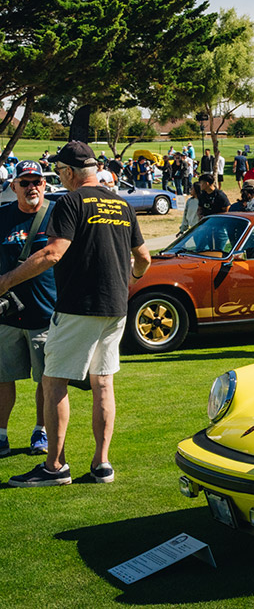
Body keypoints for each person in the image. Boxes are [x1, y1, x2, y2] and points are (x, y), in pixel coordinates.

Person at [1, 142, 150, 486]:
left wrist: (5, 281)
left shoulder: (70, 201)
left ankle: (55, 466)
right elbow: (143, 259)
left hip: (78, 306)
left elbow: (52, 253)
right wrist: (130, 281)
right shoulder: (121, 203)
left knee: (54, 381)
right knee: (102, 383)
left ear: (68, 172)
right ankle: (102, 465)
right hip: (116, 306)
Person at [0, 161, 54, 458]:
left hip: (45, 312)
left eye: (37, 181)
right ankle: (1, 435)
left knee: (46, 380)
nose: (32, 186)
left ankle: (41, 432)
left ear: (44, 184)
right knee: (2, 377)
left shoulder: (57, 215)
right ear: (13, 186)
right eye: (25, 182)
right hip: (6, 315)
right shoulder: (3, 216)